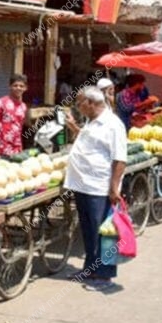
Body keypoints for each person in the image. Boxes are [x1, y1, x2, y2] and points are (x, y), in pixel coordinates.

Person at [64, 87, 127, 292]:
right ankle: (90, 269)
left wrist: (114, 188)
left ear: (91, 103)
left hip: (99, 187)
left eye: (80, 103)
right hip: (83, 185)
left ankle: (105, 276)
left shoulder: (113, 125)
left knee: (103, 232)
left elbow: (120, 159)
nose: (78, 107)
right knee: (89, 231)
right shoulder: (92, 121)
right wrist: (75, 128)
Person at [0, 74, 28, 158]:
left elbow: (19, 129)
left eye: (21, 86)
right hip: (2, 151)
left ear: (25, 88)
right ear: (10, 86)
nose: (18, 88)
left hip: (17, 152)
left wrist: (20, 149)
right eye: (15, 85)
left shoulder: (23, 107)